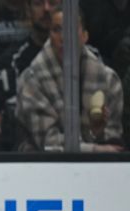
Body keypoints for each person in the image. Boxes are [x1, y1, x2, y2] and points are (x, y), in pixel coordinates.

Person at [16, 7, 124, 152]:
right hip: (40, 168)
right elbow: (48, 143)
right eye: (57, 30)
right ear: (50, 36)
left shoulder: (109, 80)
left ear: (85, 36)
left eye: (71, 29)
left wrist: (95, 132)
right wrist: (94, 149)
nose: (64, 37)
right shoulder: (31, 81)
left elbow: (113, 144)